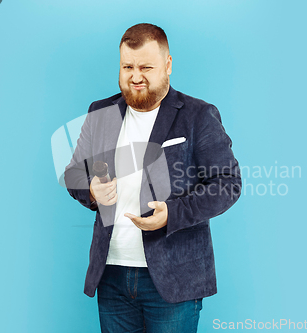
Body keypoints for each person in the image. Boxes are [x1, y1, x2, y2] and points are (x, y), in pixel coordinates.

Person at [64, 23, 241, 333]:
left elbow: (227, 183)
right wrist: (91, 189)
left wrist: (172, 214)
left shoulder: (198, 115)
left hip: (174, 278)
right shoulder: (100, 112)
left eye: (146, 67)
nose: (135, 76)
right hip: (112, 275)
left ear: (168, 65)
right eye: (127, 66)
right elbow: (74, 173)